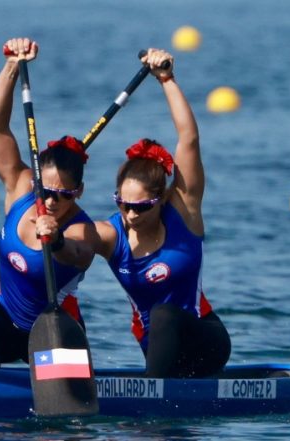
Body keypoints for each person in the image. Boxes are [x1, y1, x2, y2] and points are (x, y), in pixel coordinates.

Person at [94, 49, 230, 378]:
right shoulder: (111, 235)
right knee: (159, 319)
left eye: (140, 207)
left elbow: (189, 139)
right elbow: (74, 239)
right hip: (157, 350)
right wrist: (54, 232)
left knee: (164, 314)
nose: (130, 214)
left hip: (204, 339)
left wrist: (166, 79)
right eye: (122, 203)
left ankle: (153, 392)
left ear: (159, 200)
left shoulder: (184, 210)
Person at [0, 38, 99, 368]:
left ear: (79, 192)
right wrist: (12, 66)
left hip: (55, 332)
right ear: (35, 181)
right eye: (45, 191)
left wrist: (56, 240)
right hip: (3, 326)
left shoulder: (83, 229)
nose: (52, 201)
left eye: (64, 195)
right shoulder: (19, 186)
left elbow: (77, 254)